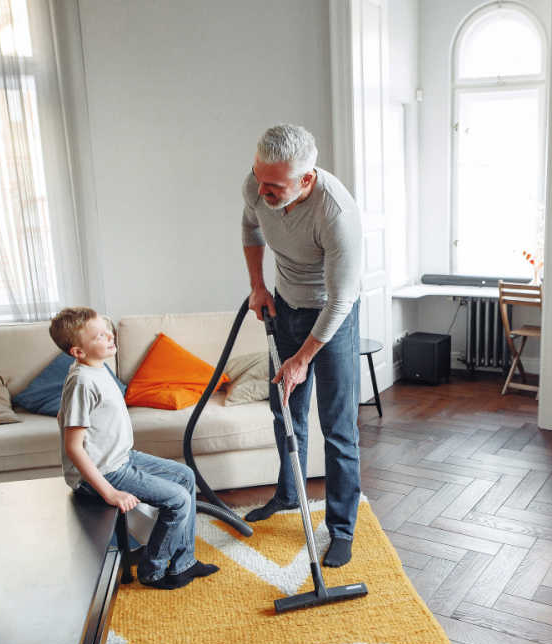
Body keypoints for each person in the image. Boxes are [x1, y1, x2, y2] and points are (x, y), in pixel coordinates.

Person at [241, 124, 363, 568]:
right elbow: (250, 225)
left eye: (274, 186)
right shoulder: (259, 184)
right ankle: (289, 495)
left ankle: (342, 529)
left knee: (337, 425)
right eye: (259, 179)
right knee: (285, 411)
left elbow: (341, 301)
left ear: (306, 180)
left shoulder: (336, 214)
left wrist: (301, 359)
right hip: (286, 306)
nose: (262, 190)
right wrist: (258, 286)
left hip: (332, 318)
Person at [49, 307, 219, 589]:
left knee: (185, 476)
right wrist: (110, 492)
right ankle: (153, 570)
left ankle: (182, 562)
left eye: (107, 330)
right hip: (105, 472)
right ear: (78, 351)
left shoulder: (95, 367)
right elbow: (73, 447)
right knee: (178, 500)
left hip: (120, 458)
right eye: (98, 336)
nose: (109, 336)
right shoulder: (81, 381)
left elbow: (64, 415)